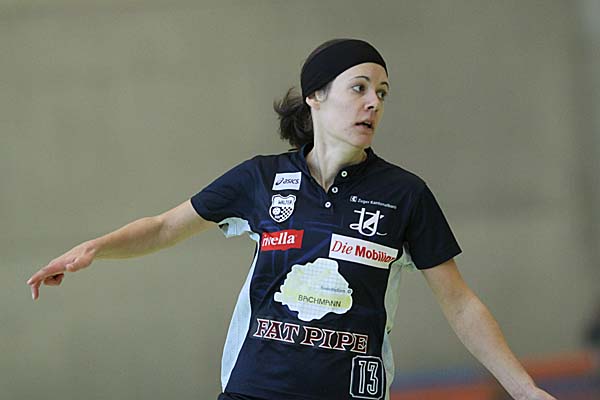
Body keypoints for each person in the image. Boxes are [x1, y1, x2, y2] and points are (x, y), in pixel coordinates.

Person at [27, 39, 556, 400]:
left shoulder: (405, 195)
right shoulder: (261, 178)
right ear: (315, 96)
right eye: (359, 88)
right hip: (254, 388)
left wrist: (524, 389)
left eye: (382, 93)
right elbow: (166, 227)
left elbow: (460, 303)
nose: (373, 103)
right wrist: (94, 247)